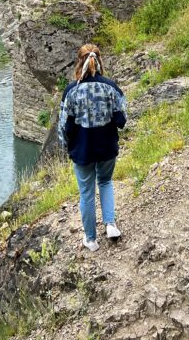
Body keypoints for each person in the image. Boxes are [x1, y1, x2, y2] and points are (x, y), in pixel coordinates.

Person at [57, 43, 127, 251]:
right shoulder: (111, 87)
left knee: (86, 193)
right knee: (105, 182)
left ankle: (91, 239)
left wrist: (66, 146)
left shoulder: (71, 91)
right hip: (107, 146)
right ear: (99, 60)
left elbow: (64, 126)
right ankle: (111, 224)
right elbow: (122, 120)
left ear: (79, 62)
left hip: (82, 149)